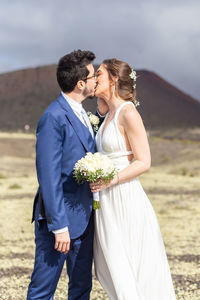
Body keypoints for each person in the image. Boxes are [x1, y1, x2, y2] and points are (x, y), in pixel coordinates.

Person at [90, 59, 176, 299]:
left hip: (124, 198)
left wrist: (111, 181)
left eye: (99, 74)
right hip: (105, 202)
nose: (94, 79)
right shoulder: (107, 115)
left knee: (129, 269)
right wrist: (102, 100)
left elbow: (143, 161)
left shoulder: (128, 113)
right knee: (111, 269)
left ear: (114, 79)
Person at [27, 50, 97, 300]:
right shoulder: (53, 117)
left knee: (80, 289)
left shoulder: (84, 115)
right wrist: (59, 226)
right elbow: (48, 176)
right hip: (59, 223)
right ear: (81, 84)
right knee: (43, 290)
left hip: (85, 218)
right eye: (92, 76)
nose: (96, 80)